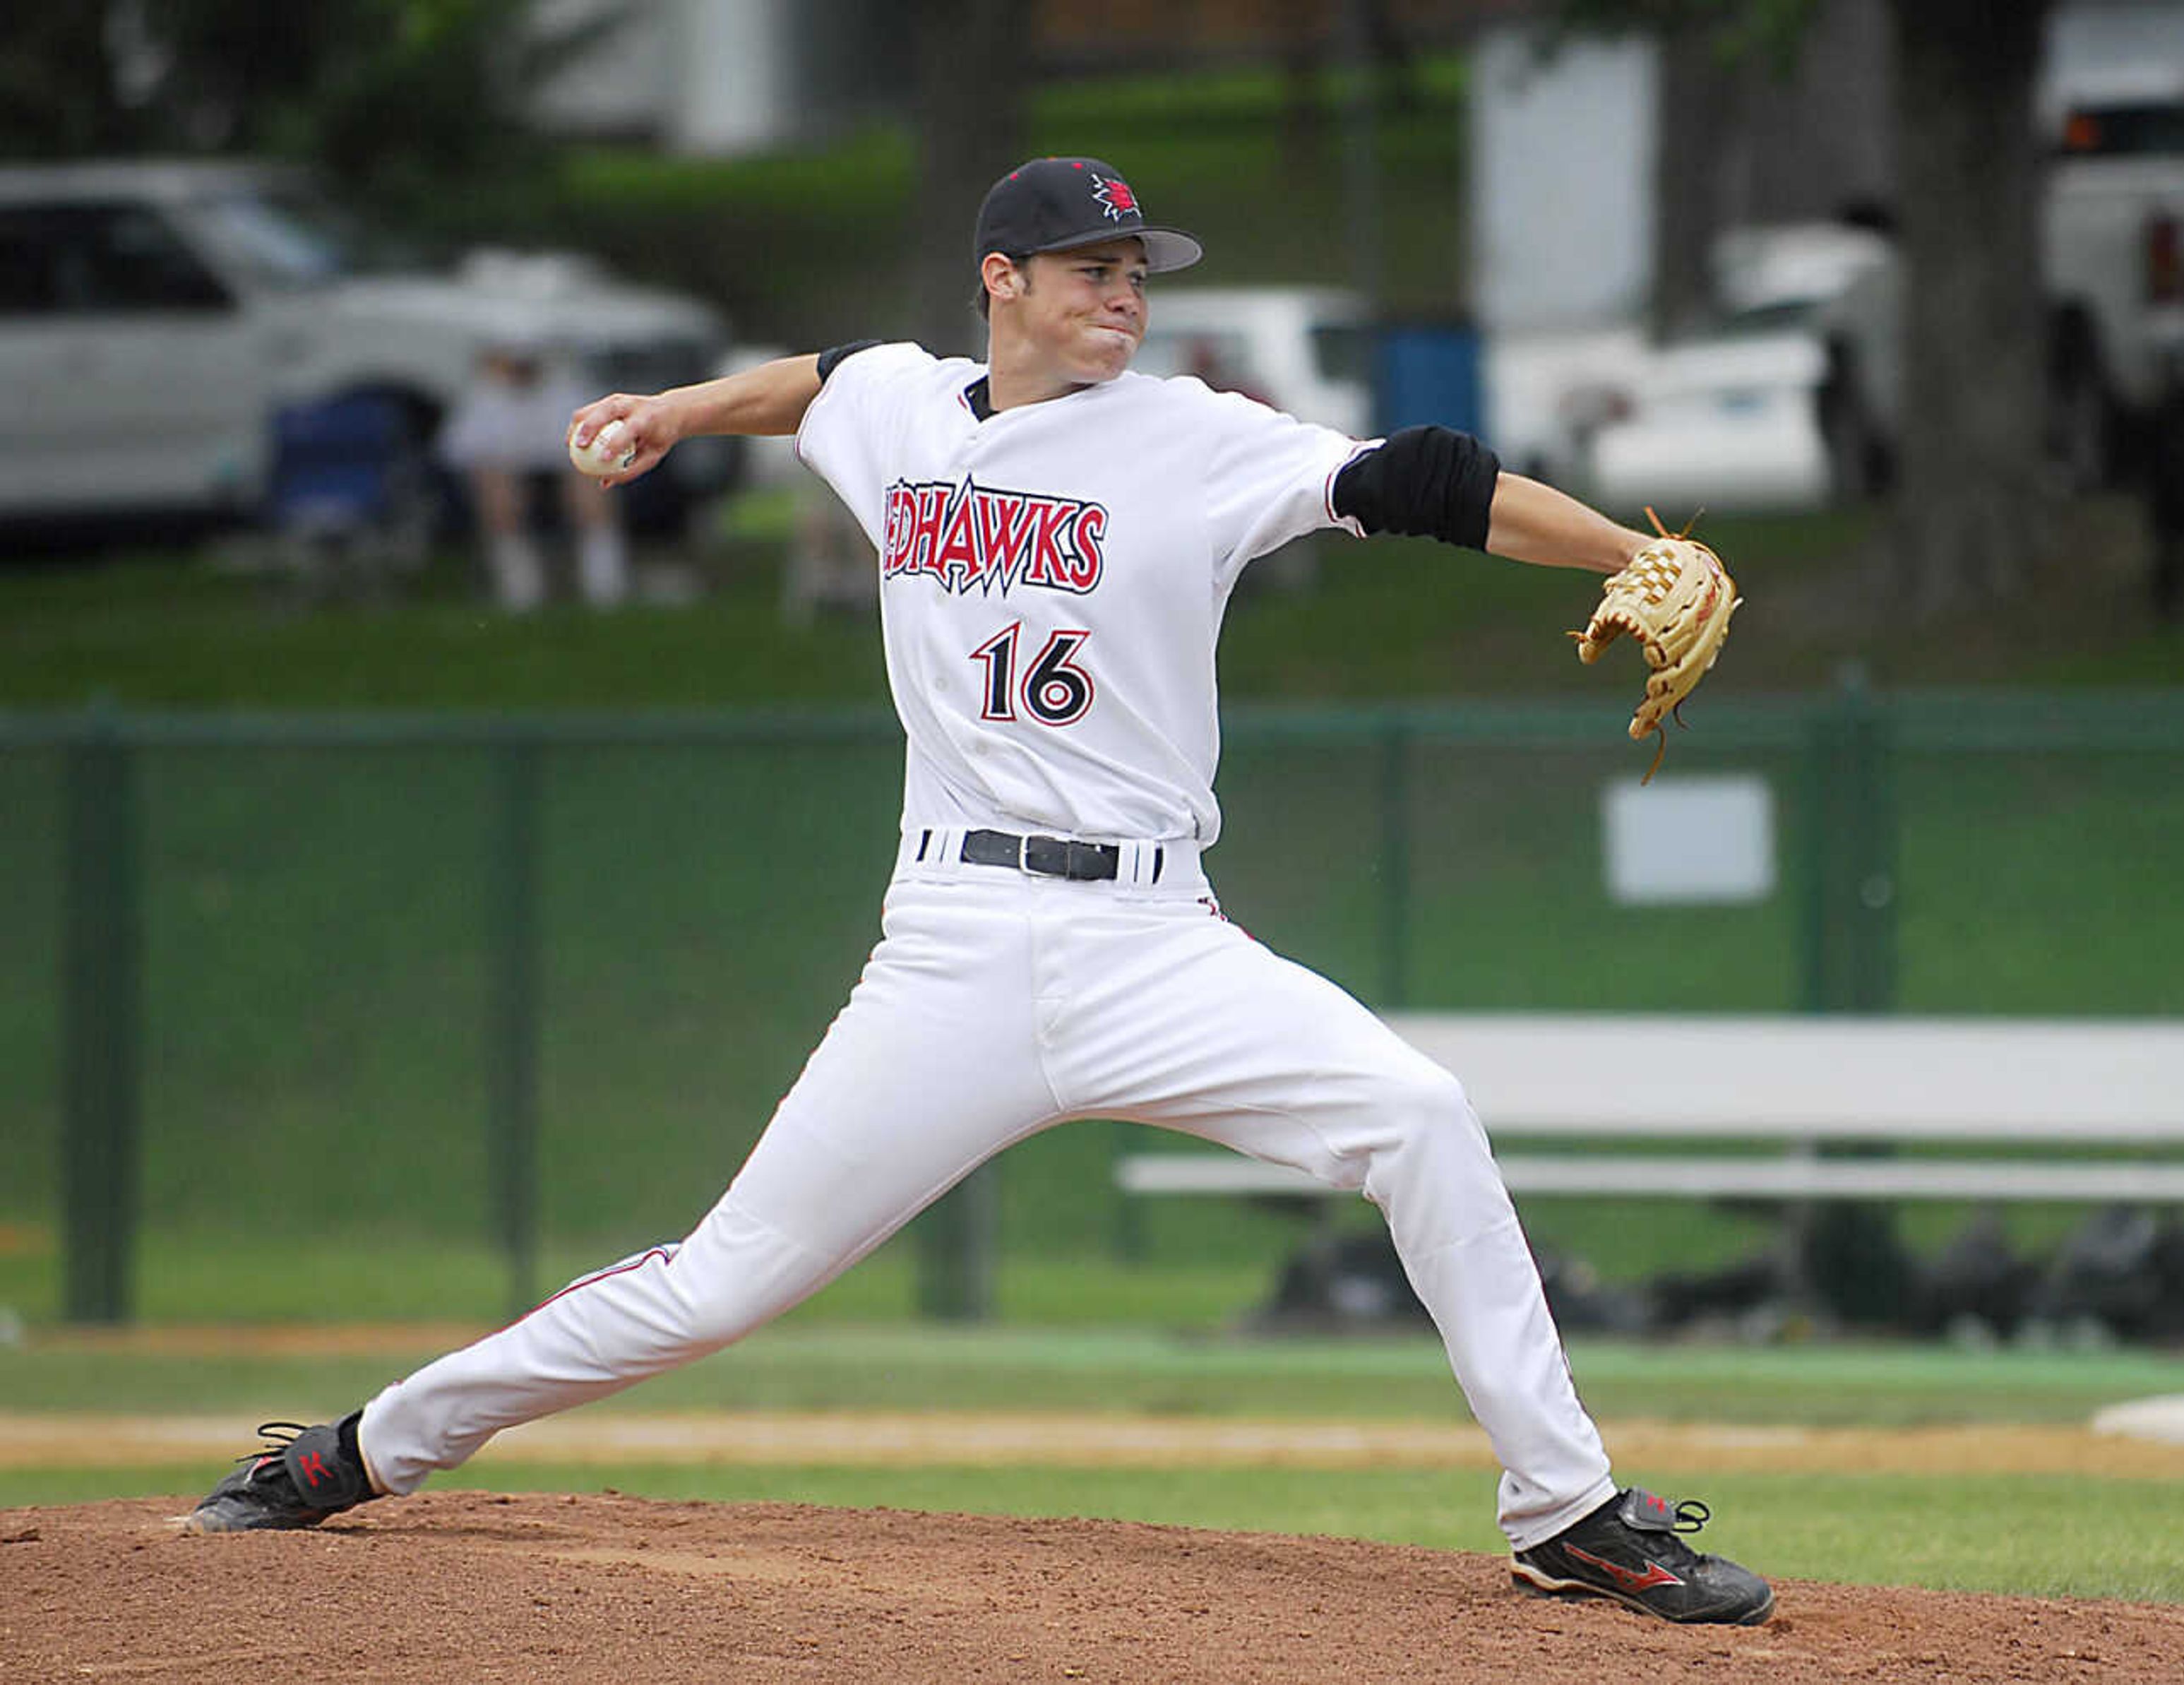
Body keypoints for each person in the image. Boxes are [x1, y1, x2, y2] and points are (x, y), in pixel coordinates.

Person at [180, 155, 1775, 1628]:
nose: (1124, 295)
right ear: (1000, 279)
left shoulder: (1194, 436)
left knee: (1417, 1114)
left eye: (1136, 271)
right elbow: (811, 386)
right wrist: (674, 407)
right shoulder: (894, 407)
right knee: (718, 1281)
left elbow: (1417, 476)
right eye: (1090, 268)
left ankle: (1564, 1509)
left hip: (1153, 938)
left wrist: (1617, 555)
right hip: (947, 948)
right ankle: (360, 1447)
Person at [438, 333, 631, 611]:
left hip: (562, 473)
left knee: (590, 491)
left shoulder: (567, 391)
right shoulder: (483, 398)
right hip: (508, 477)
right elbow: (468, 455)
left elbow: (587, 446)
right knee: (498, 494)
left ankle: (605, 588)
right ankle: (520, 592)